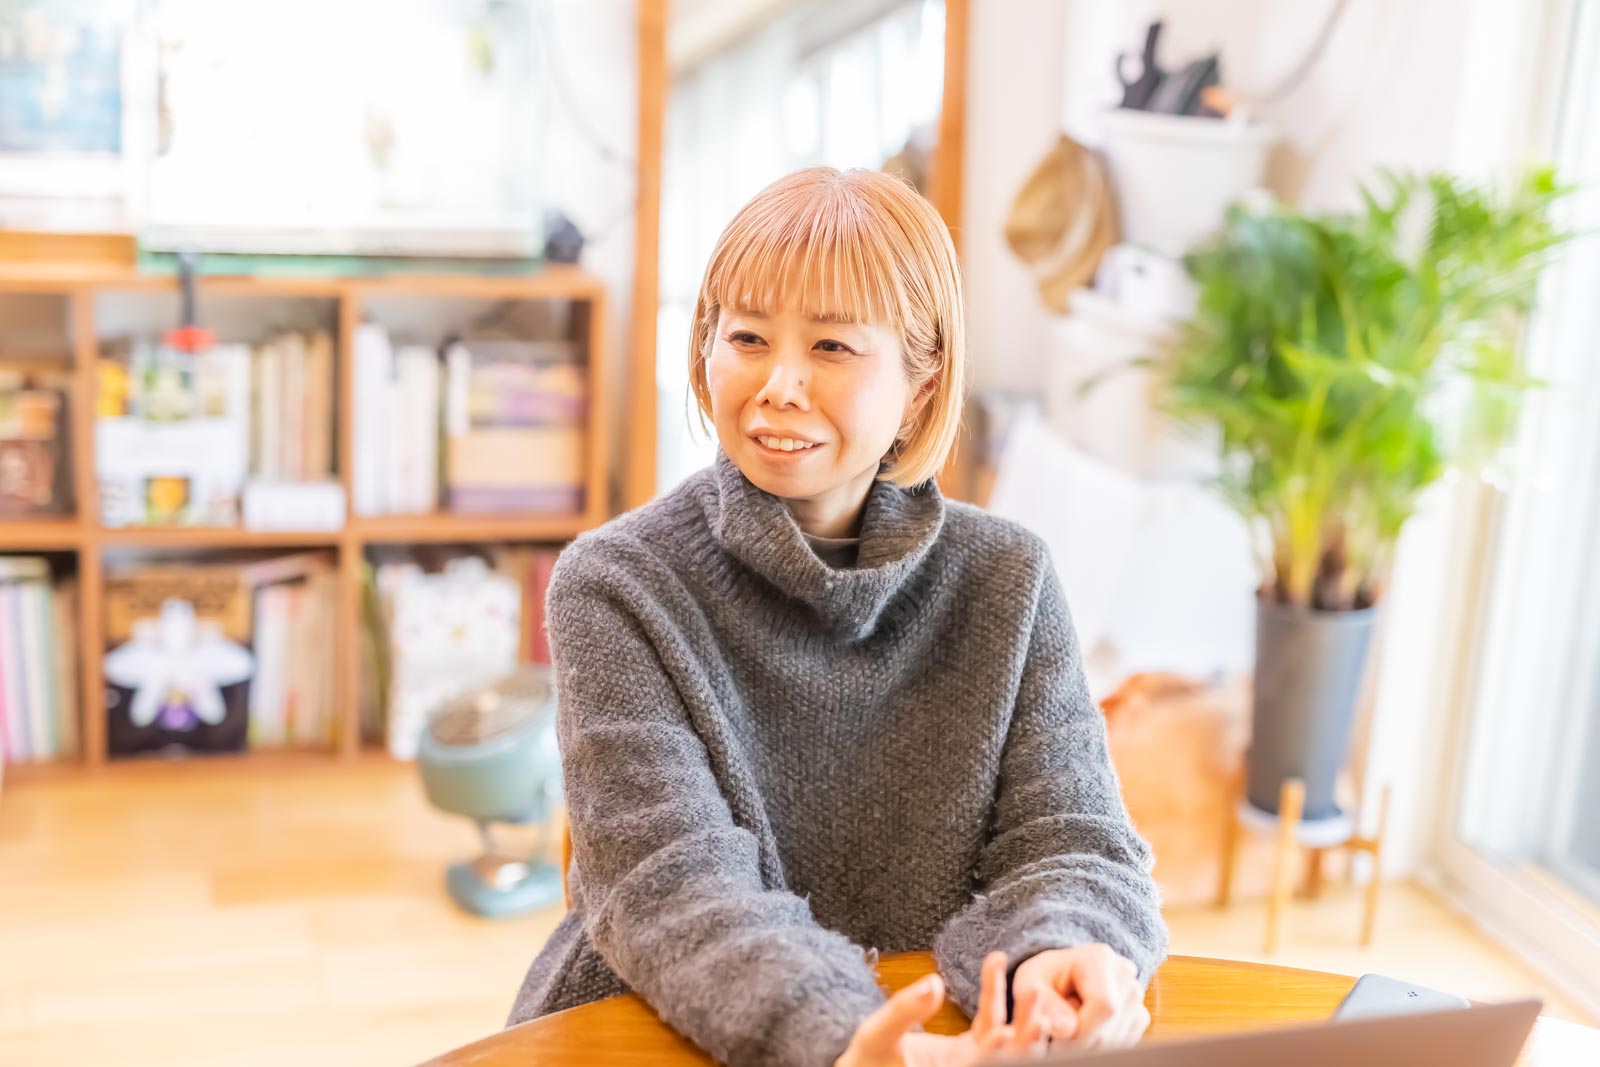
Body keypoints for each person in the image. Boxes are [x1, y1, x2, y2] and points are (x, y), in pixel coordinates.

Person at [507, 166, 1168, 1067]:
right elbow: (673, 889)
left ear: (922, 382)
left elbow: (1076, 840)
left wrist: (1067, 951)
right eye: (746, 336)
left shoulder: (1007, 578)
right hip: (661, 1030)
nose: (780, 384)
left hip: (945, 1037)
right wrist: (848, 1038)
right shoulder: (616, 584)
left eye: (832, 346)